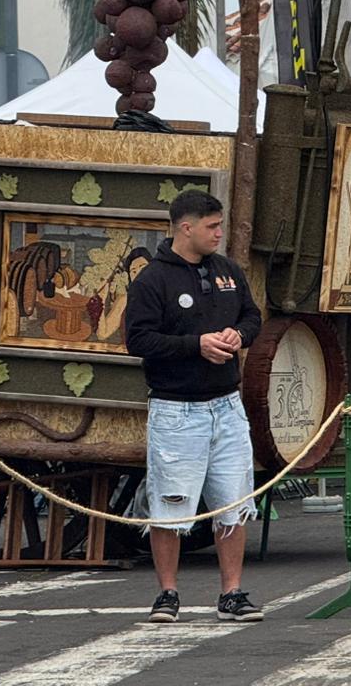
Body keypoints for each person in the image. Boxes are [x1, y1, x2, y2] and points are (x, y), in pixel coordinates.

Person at [124, 191, 263, 622]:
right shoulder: (152, 280)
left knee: (233, 500)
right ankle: (167, 592)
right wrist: (195, 346)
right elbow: (138, 340)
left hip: (226, 404)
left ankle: (233, 592)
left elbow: (252, 316)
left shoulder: (228, 271)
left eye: (220, 225)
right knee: (170, 504)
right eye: (211, 226)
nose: (219, 233)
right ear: (186, 227)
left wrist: (239, 336)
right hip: (176, 407)